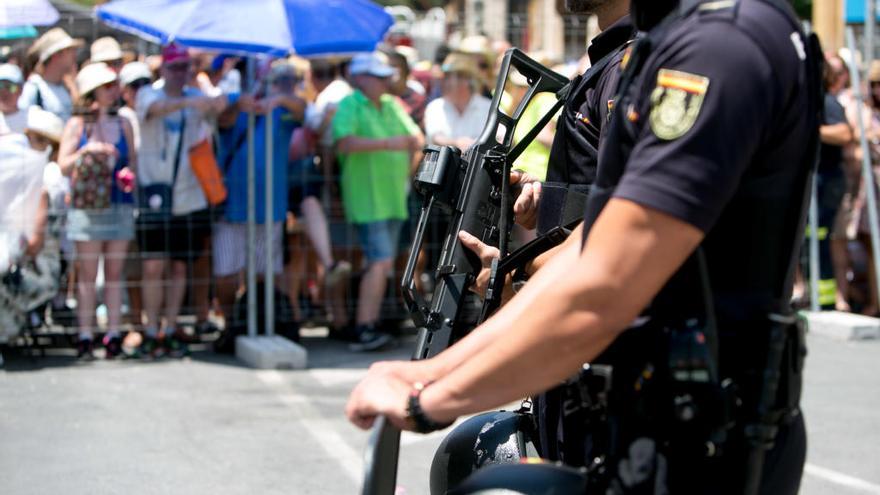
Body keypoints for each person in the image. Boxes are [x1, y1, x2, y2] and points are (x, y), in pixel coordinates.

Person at [347, 1, 818, 494]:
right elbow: (592, 249)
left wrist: (430, 401)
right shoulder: (686, 37)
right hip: (655, 420)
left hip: (701, 436)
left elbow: (607, 283)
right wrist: (428, 374)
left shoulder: (720, 43)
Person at [135, 44, 228, 357]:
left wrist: (203, 84)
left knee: (178, 267)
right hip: (154, 193)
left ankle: (171, 326)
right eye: (175, 67)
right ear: (163, 68)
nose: (180, 73)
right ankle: (151, 329)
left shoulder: (196, 93)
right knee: (152, 266)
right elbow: (155, 110)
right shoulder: (149, 94)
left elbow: (220, 105)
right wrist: (191, 99)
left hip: (188, 195)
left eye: (185, 67)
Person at [332, 52, 424, 352]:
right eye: (379, 76)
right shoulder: (349, 105)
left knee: (381, 264)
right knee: (380, 262)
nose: (386, 81)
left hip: (394, 198)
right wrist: (388, 144)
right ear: (361, 78)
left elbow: (416, 139)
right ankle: (365, 326)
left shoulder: (390, 104)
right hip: (367, 200)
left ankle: (369, 324)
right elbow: (343, 142)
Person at [213, 61, 304, 325]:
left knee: (265, 274)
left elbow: (302, 111)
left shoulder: (281, 110)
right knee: (226, 274)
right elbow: (221, 116)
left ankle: (262, 322)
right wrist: (236, 101)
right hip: (232, 207)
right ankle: (232, 324)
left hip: (270, 208)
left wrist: (278, 100)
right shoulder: (235, 107)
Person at [57, 63, 137, 359]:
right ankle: (85, 334)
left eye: (115, 85)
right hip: (88, 207)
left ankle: (113, 333)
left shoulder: (125, 122)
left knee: (114, 272)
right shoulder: (78, 125)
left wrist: (126, 173)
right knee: (88, 274)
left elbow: (134, 164)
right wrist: (87, 152)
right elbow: (63, 164)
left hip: (118, 203)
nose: (114, 91)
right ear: (93, 91)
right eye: (107, 86)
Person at [423, 53, 491, 150]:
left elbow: (502, 138)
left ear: (469, 80)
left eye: (458, 77)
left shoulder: (488, 107)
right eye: (445, 77)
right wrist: (457, 144)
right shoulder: (435, 107)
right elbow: (436, 138)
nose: (448, 82)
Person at [18, 28, 81, 122]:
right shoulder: (34, 88)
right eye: (69, 49)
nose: (74, 54)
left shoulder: (66, 87)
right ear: (56, 55)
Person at [0, 64, 27, 135]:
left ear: (21, 90)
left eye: (10, 87)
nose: (4, 91)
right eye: (0, 85)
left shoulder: (34, 119)